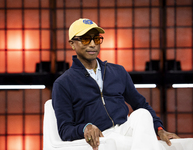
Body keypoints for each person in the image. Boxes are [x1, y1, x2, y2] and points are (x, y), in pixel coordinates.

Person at [52, 18, 180, 150]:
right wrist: (85, 127)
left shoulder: (118, 71)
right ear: (72, 44)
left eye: (96, 39)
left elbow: (140, 104)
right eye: (85, 39)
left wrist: (159, 130)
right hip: (101, 137)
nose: (92, 44)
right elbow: (65, 130)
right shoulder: (63, 83)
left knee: (142, 113)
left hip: (124, 130)